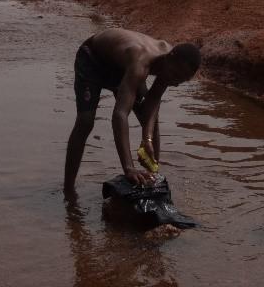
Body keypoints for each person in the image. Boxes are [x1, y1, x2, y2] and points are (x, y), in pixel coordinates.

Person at [63, 28, 201, 193]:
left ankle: (153, 175)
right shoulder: (140, 62)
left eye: (181, 80)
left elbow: (152, 103)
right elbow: (120, 114)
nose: (175, 82)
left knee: (150, 120)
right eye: (175, 75)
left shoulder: (170, 65)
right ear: (170, 59)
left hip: (121, 67)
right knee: (85, 121)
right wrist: (129, 168)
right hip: (93, 59)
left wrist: (147, 139)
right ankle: (68, 190)